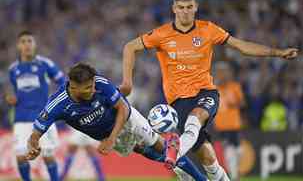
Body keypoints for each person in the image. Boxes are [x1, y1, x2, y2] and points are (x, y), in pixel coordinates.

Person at [120, 0, 298, 181]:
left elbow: (241, 46)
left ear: (196, 7)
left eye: (189, 7)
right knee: (208, 158)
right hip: (178, 102)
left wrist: (277, 52)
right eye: (181, 7)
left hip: (205, 92)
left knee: (196, 116)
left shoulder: (208, 29)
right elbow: (130, 47)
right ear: (174, 8)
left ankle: (175, 149)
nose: (185, 11)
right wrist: (127, 82)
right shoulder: (162, 34)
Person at [25, 63, 208, 181]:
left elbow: (122, 108)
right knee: (144, 151)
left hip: (126, 118)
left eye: (93, 85)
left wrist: (112, 138)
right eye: (88, 88)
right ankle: (173, 155)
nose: (93, 89)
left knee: (159, 146)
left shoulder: (99, 83)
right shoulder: (57, 105)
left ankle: (199, 177)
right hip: (107, 135)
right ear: (73, 87)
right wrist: (32, 146)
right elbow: (35, 133)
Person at [5, 31, 65, 181]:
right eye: (23, 41)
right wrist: (9, 97)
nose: (27, 45)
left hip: (44, 117)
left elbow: (64, 83)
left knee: (48, 155)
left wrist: (56, 103)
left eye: (29, 41)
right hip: (22, 118)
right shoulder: (13, 69)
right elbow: (11, 91)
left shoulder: (45, 64)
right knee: (20, 156)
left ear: (35, 44)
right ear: (19, 46)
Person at [214, 62, 245, 181]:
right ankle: (234, 176)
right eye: (220, 72)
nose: (222, 75)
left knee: (239, 151)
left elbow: (243, 103)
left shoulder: (234, 86)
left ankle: (235, 171)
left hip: (235, 124)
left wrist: (234, 103)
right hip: (222, 126)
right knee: (229, 150)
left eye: (224, 72)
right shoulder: (213, 88)